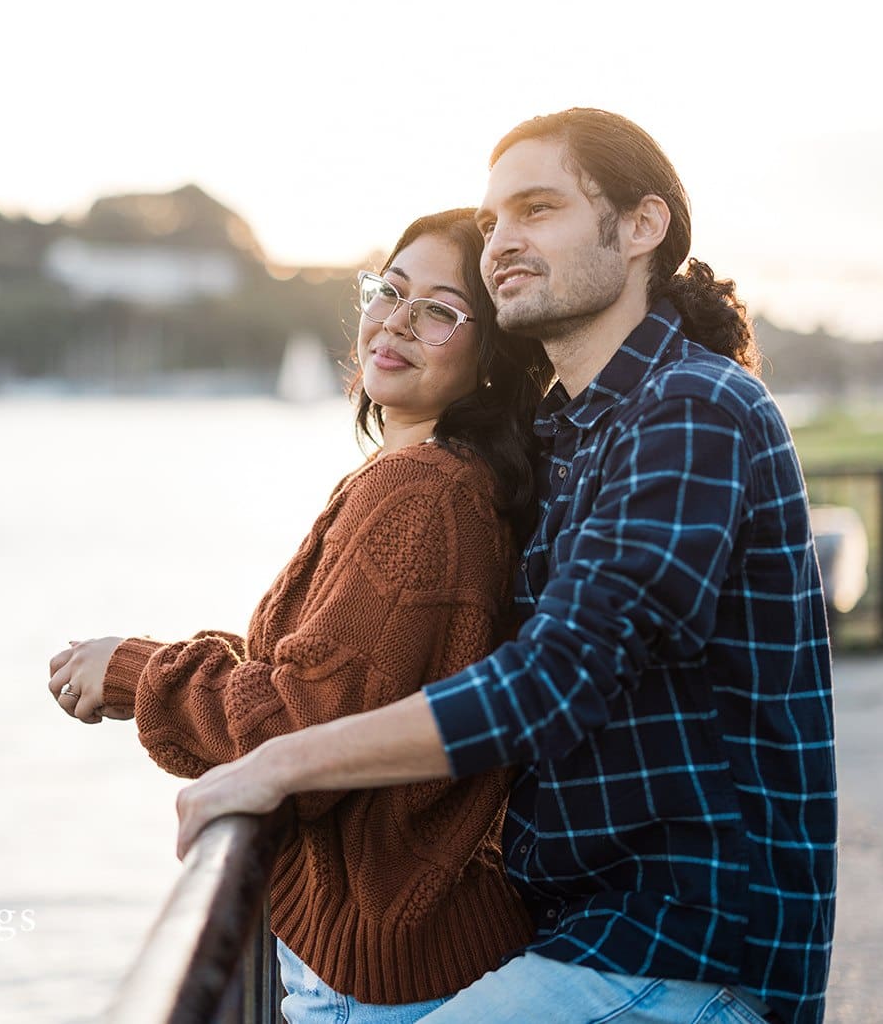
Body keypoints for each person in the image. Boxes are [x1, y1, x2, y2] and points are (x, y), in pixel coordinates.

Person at [173, 109, 838, 1024]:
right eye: (492, 222)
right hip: (574, 935)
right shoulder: (571, 436)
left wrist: (281, 760)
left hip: (682, 948)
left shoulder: (693, 408)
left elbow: (558, 677)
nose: (503, 242)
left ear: (641, 226)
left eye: (538, 209)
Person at [47, 208, 551, 1021]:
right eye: (389, 290)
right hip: (406, 955)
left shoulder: (422, 495)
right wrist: (144, 661)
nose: (396, 321)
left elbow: (301, 723)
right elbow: (330, 673)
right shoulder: (431, 478)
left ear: (490, 355)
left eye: (438, 309)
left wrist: (138, 673)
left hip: (383, 975)